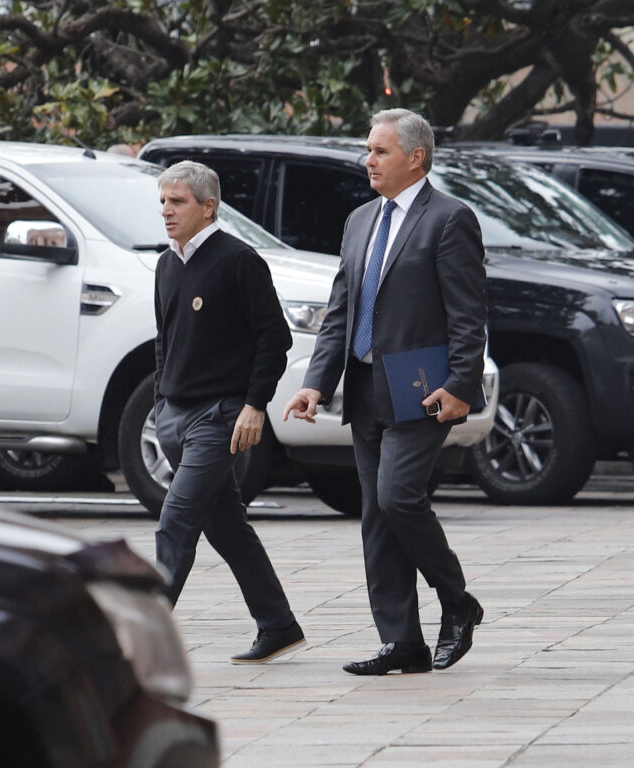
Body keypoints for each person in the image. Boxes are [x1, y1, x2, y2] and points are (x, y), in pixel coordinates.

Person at [283, 109, 486, 675]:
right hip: (364, 388)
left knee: (398, 497)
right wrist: (315, 384)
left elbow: (469, 314)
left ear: (415, 158)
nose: (366, 160)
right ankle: (402, 642)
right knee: (376, 514)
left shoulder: (449, 218)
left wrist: (460, 385)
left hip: (422, 389)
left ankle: (457, 601)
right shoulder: (359, 220)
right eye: (367, 149)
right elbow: (340, 312)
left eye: (379, 151)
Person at [154, 160, 305, 664]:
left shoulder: (239, 261)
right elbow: (165, 342)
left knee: (175, 522)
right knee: (226, 528)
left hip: (220, 417)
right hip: (175, 416)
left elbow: (275, 339)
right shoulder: (166, 264)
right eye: (163, 202)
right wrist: (160, 403)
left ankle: (142, 641)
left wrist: (254, 405)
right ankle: (279, 624)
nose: (167, 211)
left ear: (208, 207)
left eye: (177, 202)